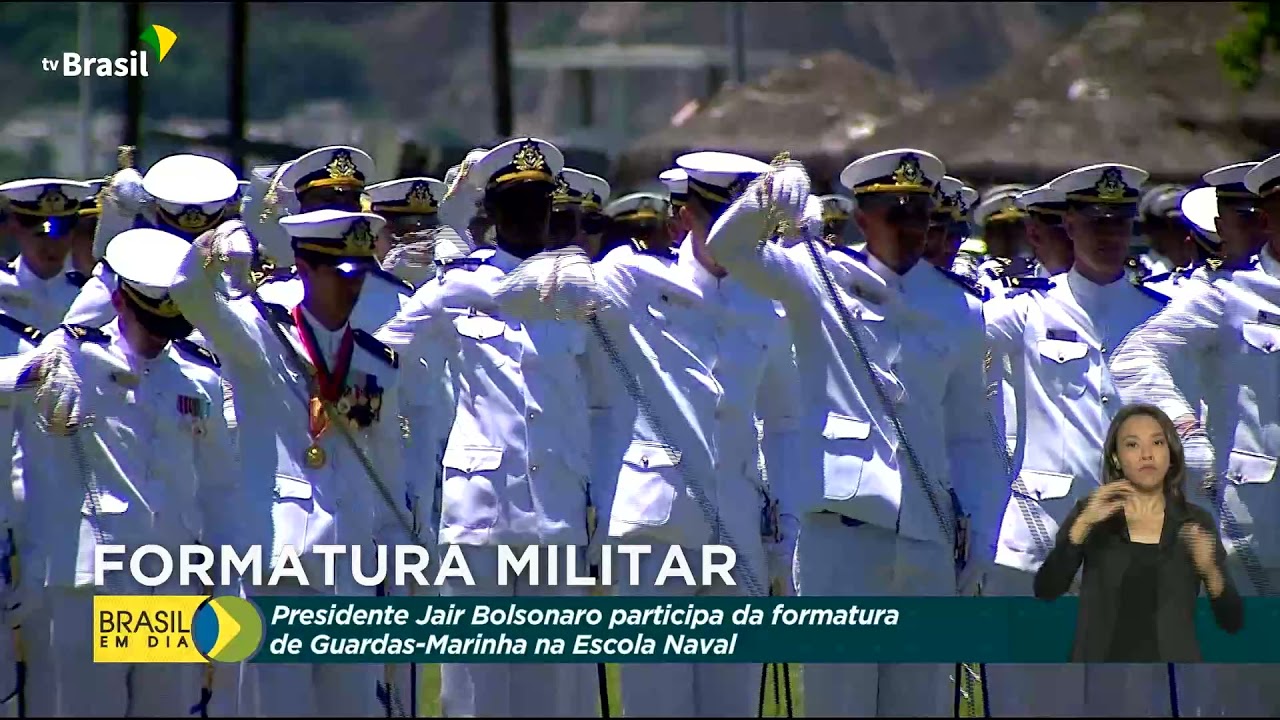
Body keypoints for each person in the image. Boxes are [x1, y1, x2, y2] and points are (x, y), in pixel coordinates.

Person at [705, 149, 1005, 717]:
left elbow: (971, 434)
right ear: (863, 218)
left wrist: (982, 533)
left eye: (921, 215)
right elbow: (729, 248)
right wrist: (767, 194)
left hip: (926, 536)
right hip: (842, 534)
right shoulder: (818, 279)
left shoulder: (959, 307)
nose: (910, 229)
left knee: (920, 706)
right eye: (896, 214)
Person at [374, 137, 599, 717]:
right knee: (473, 692)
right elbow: (381, 354)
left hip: (555, 506)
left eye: (539, 204)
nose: (530, 217)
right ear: (493, 213)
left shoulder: (580, 289)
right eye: (516, 205)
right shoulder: (459, 284)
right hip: (480, 508)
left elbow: (605, 399)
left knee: (551, 692)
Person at [170, 208, 407, 717]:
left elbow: (388, 469)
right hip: (281, 563)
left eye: (360, 273)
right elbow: (189, 294)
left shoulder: (376, 362)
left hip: (350, 569)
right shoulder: (259, 336)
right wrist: (211, 250)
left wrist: (396, 559)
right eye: (341, 273)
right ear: (305, 267)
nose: (354, 287)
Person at [0, 227, 243, 717]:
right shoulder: (73, 353)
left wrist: (224, 580)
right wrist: (31, 373)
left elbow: (219, 488)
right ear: (118, 301)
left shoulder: (198, 377)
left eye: (169, 326)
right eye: (151, 323)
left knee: (164, 708)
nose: (159, 338)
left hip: (167, 577)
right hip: (89, 578)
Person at [1108, 150, 1280, 716]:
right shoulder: (1230, 294)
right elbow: (1135, 358)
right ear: (1268, 218)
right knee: (1242, 690)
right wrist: (1186, 432)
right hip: (1254, 520)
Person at [1034, 403, 1243, 661]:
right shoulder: (1092, 513)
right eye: (1132, 445)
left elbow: (1232, 622)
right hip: (1100, 672)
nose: (1147, 455)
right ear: (1116, 458)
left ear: (1171, 454)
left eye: (1157, 443)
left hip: (1173, 675)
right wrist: (1083, 526)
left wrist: (1210, 571)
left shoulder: (1195, 522)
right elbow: (1047, 589)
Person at [0, 179, 95, 332]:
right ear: (15, 228)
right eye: (40, 235)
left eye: (61, 234)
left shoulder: (88, 293)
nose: (52, 246)